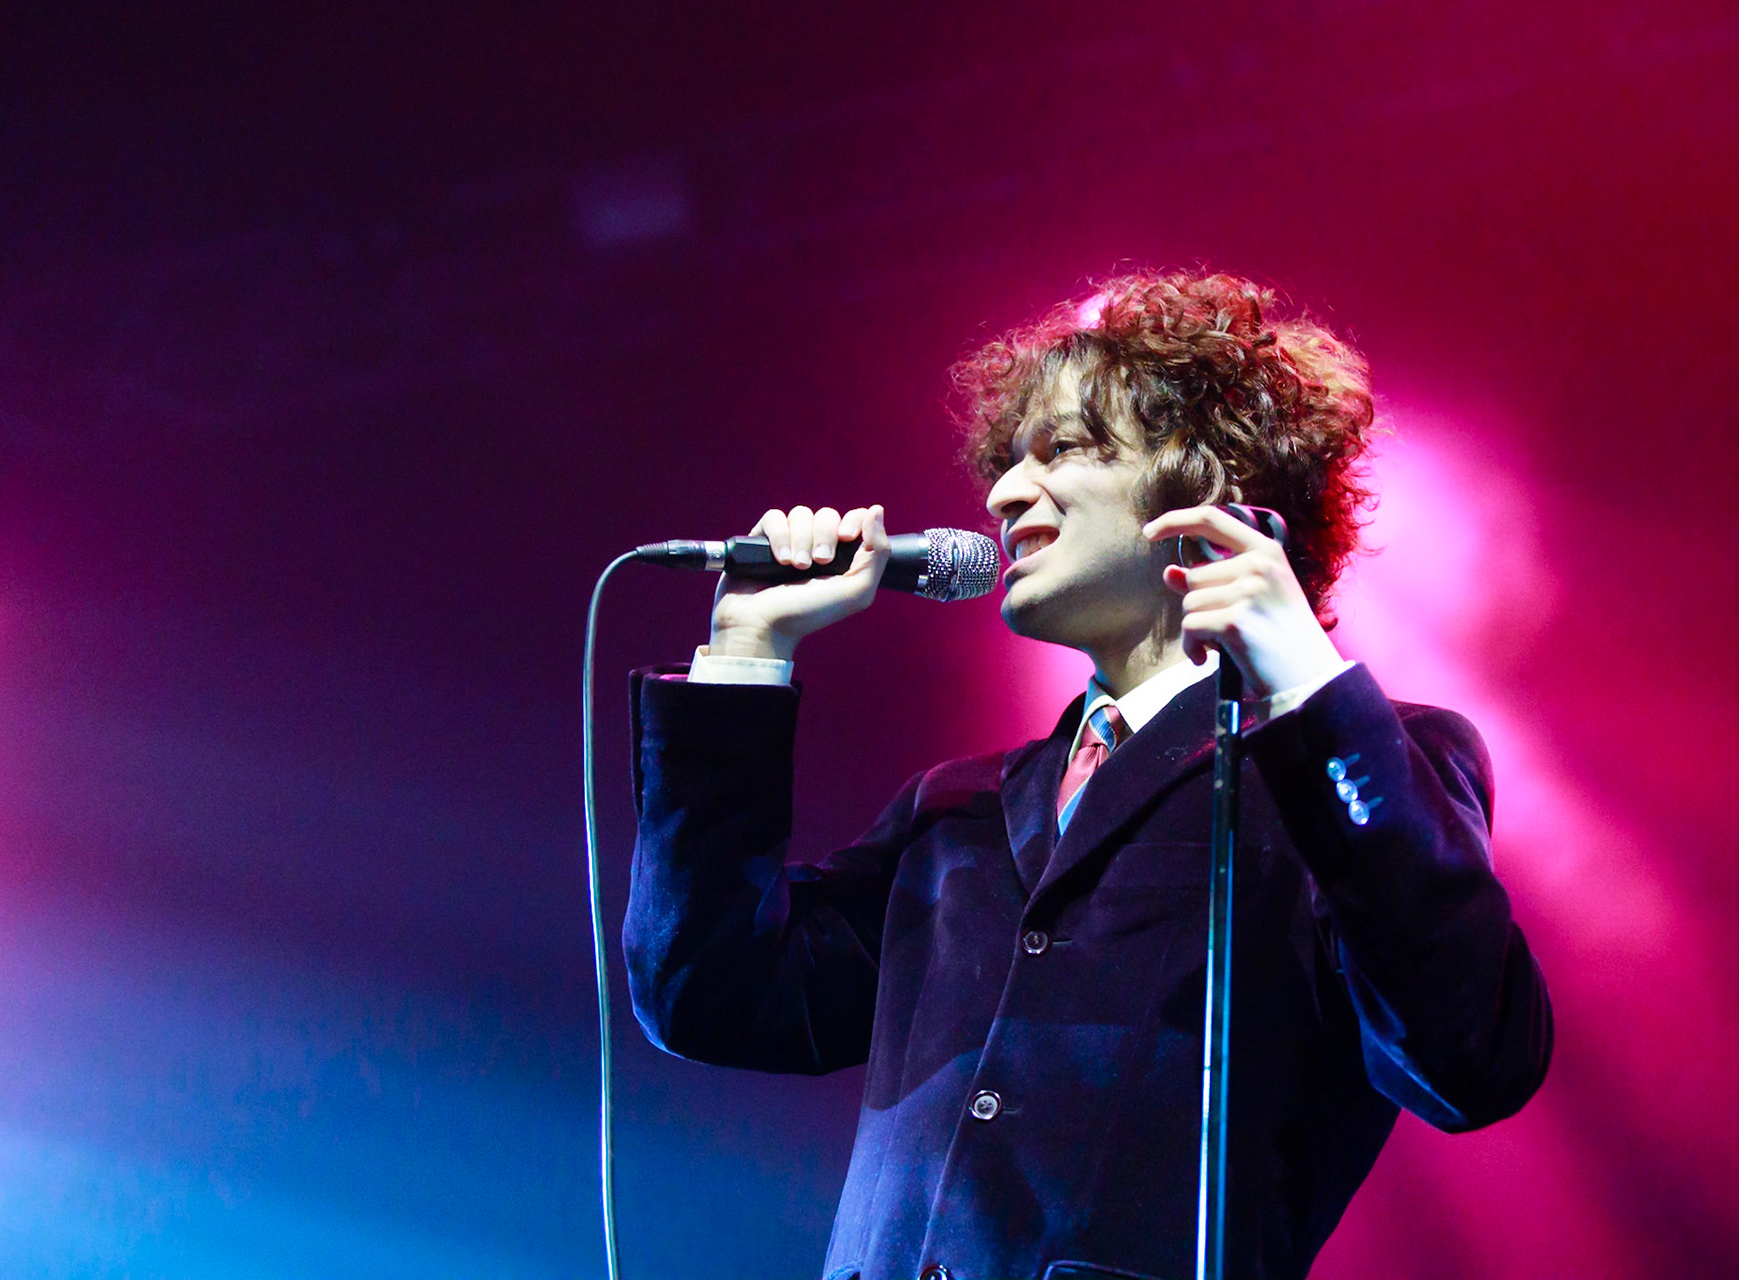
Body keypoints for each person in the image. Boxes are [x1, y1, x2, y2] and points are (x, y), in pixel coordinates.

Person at [623, 270, 1553, 1280]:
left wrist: (1313, 693)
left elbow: (1468, 1056)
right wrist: (747, 650)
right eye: (1008, 461)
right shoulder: (957, 808)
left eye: (1060, 448)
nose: (1001, 494)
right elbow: (706, 991)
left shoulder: (1354, 764)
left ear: (1206, 477)